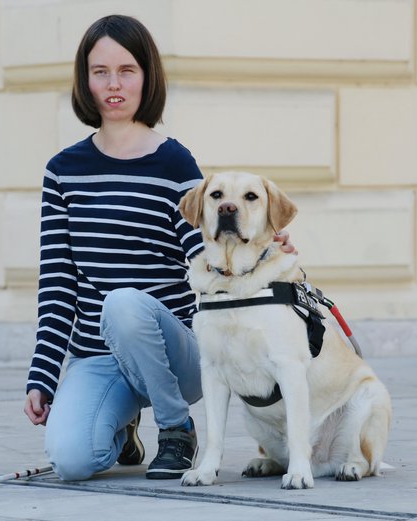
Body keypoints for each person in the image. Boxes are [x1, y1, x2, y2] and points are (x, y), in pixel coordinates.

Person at [23, 14, 293, 481]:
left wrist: (265, 247)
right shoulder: (62, 170)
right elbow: (58, 282)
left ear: (147, 77)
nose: (113, 84)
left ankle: (175, 427)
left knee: (124, 304)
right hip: (99, 354)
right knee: (70, 460)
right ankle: (121, 428)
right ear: (84, 81)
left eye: (127, 70)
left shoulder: (173, 160)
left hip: (175, 353)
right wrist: (43, 375)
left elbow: (208, 250)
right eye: (99, 71)